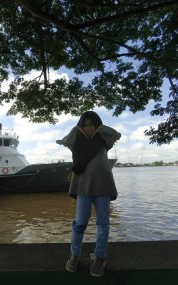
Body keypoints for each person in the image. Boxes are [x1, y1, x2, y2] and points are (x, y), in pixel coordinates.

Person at [56, 111, 121, 277]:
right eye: (85, 125)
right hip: (83, 188)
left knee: (103, 224)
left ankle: (100, 258)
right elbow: (66, 140)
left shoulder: (104, 140)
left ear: (97, 125)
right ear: (81, 126)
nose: (89, 128)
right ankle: (74, 255)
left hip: (103, 187)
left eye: (92, 124)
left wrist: (100, 129)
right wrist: (77, 129)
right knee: (79, 223)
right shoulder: (76, 141)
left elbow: (116, 134)